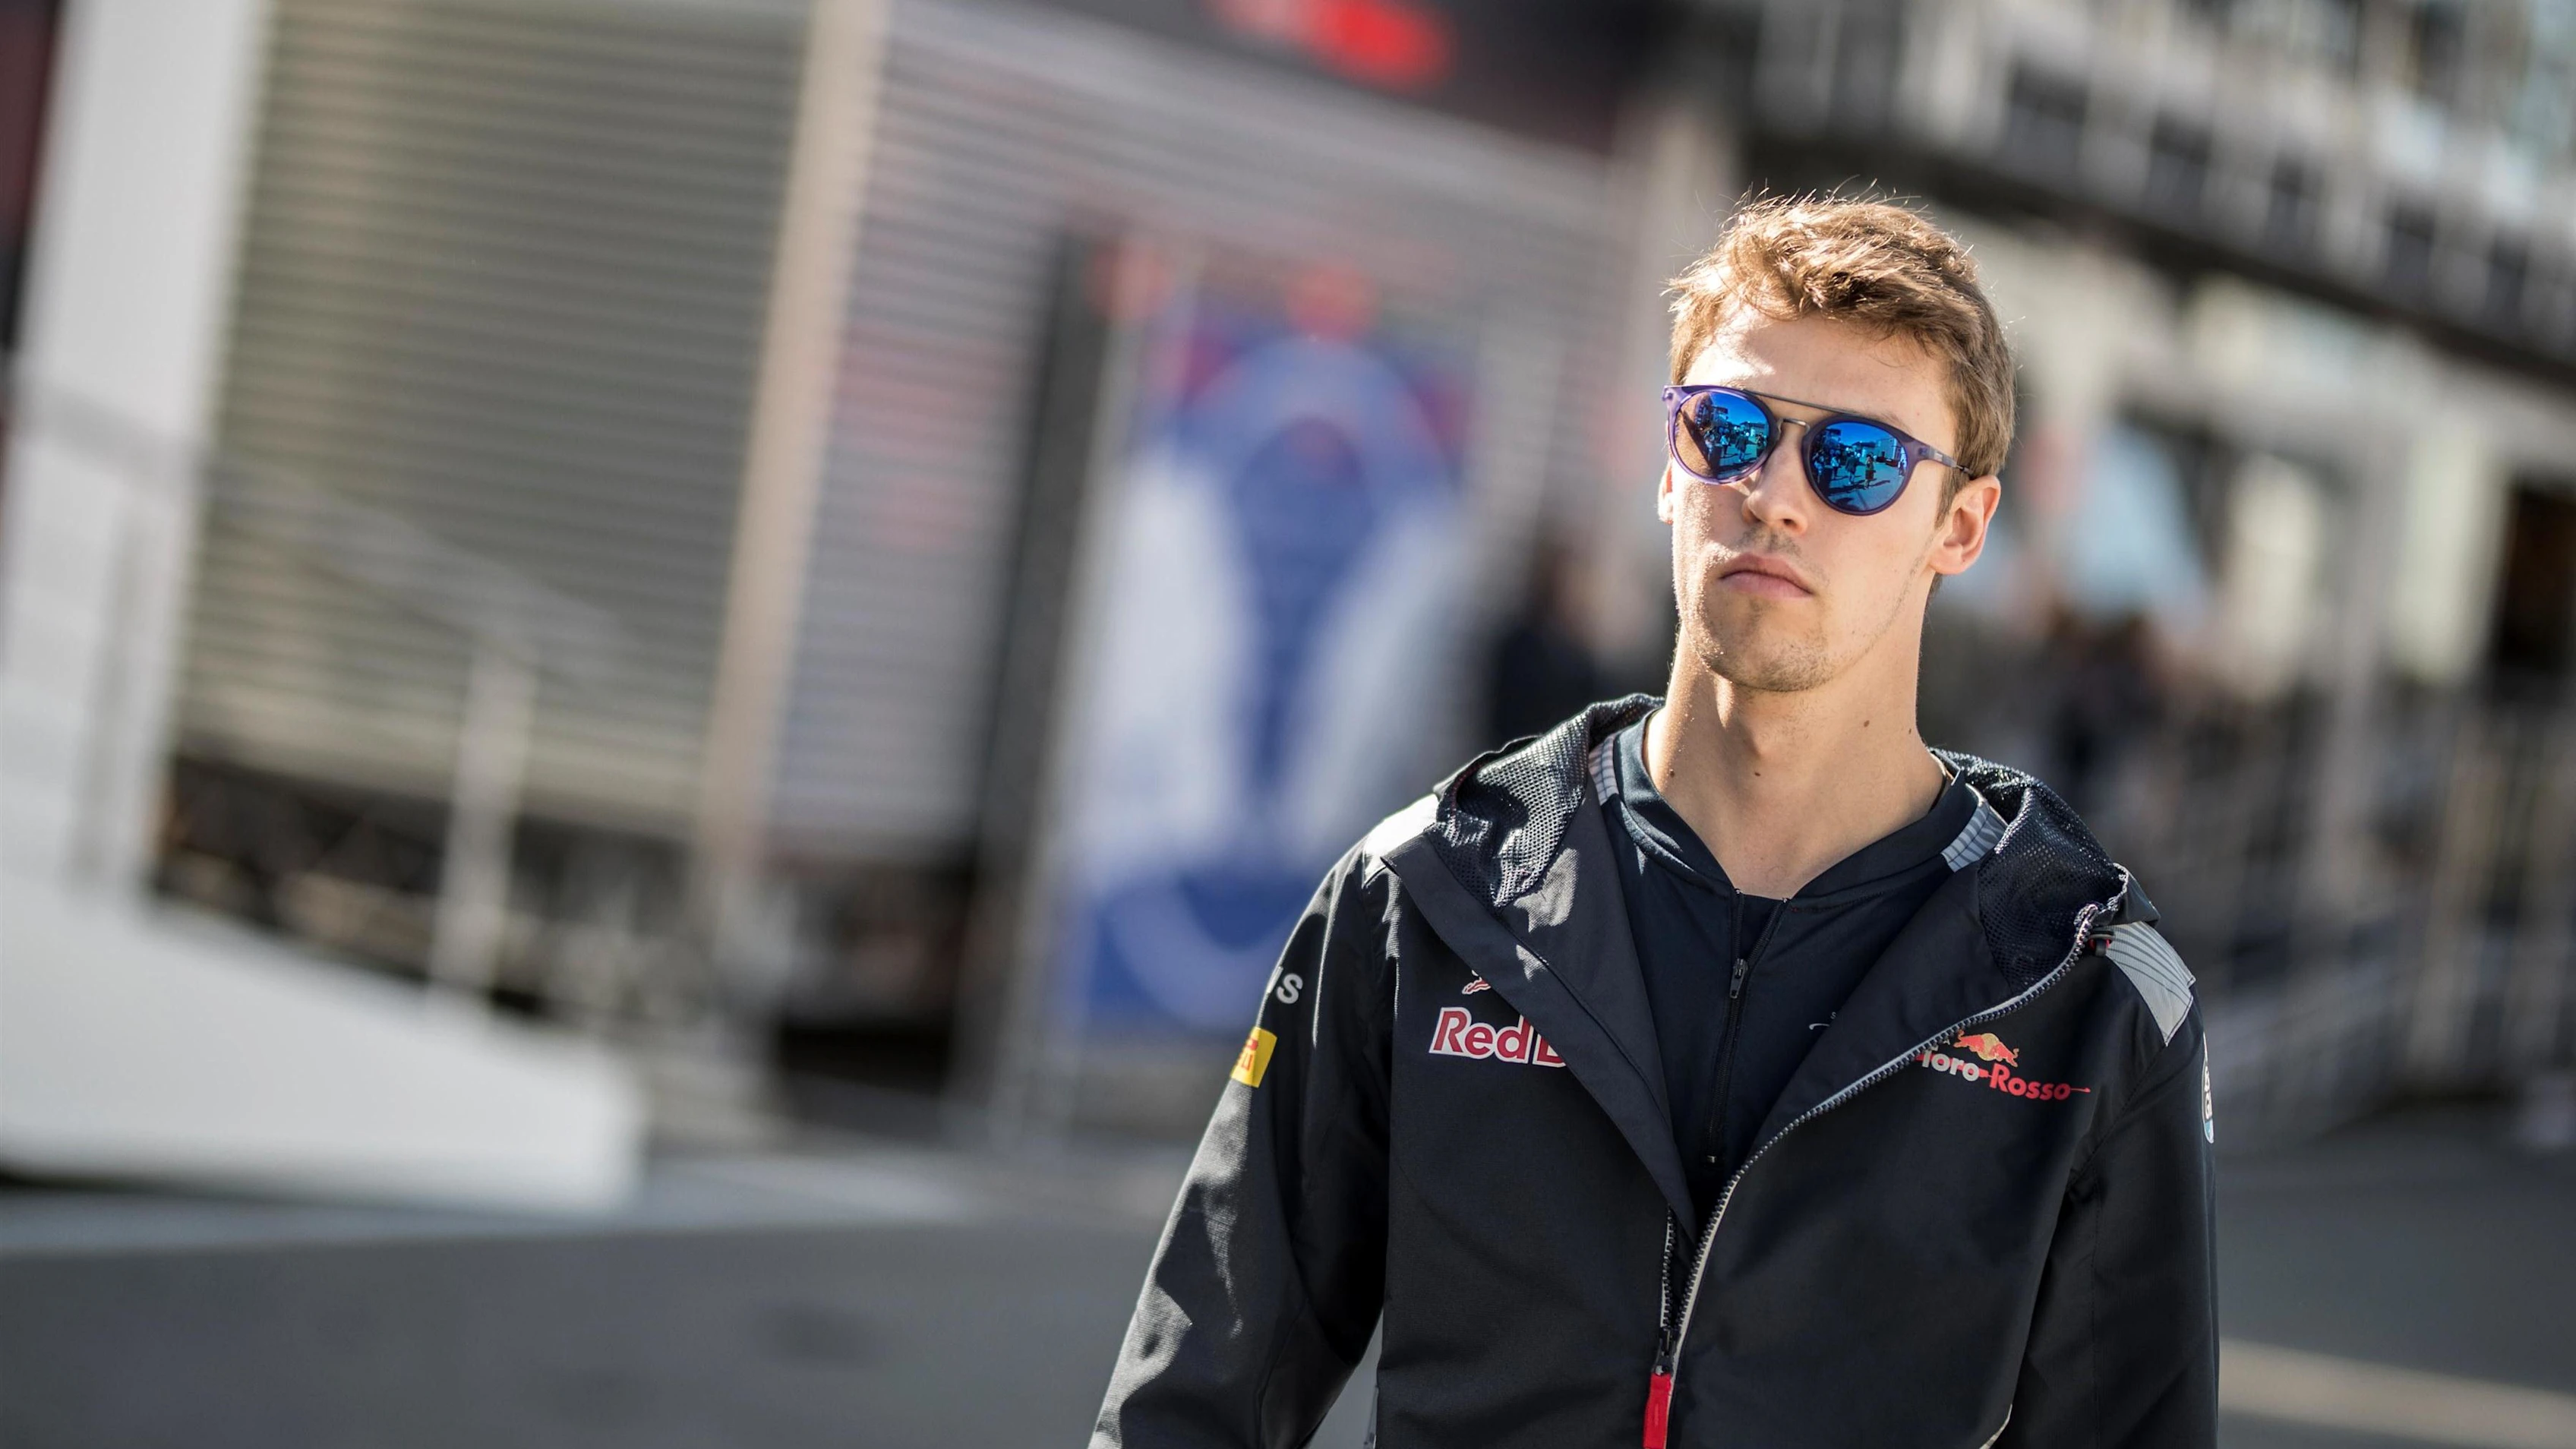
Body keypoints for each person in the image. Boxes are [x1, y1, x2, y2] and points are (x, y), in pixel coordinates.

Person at [1091, 197, 2217, 1449]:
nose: (1775, 495)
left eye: (1854, 460)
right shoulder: (1427, 896)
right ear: (1666, 465)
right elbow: (1190, 1408)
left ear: (1959, 526)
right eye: (1729, 430)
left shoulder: (2085, 993)